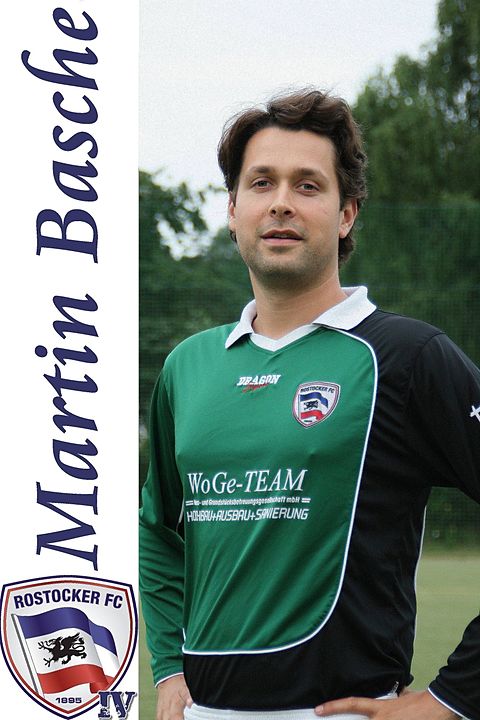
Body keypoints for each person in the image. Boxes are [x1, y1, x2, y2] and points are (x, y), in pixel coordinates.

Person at [139, 88, 480, 720]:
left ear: (346, 214)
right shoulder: (189, 365)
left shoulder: (407, 356)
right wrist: (168, 667)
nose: (281, 203)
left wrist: (453, 698)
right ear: (233, 209)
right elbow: (158, 527)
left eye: (308, 185)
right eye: (261, 183)